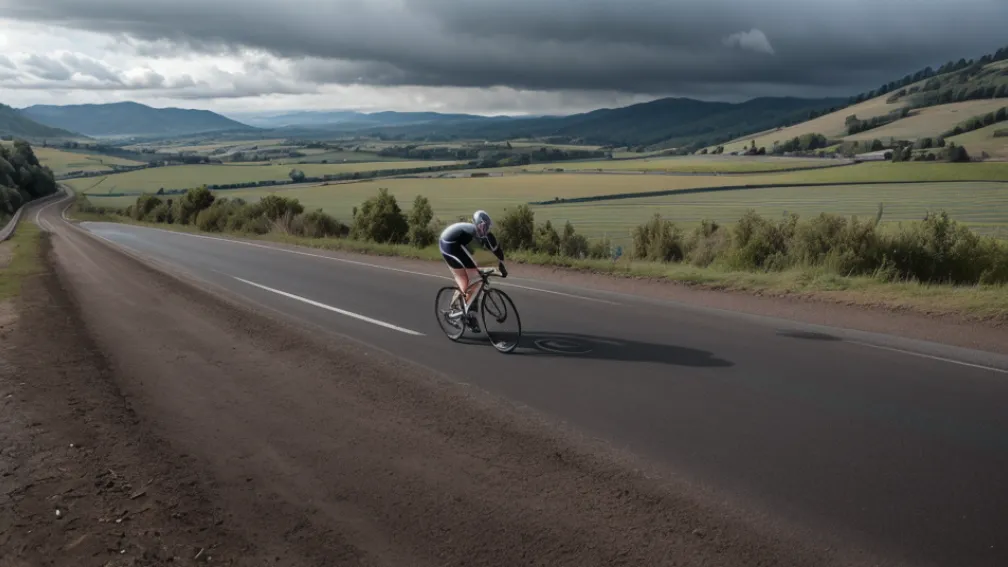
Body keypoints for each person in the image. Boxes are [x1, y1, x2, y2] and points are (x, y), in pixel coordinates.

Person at [438, 210, 507, 332]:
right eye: (482, 226)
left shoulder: (481, 234)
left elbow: (492, 252)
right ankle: (454, 310)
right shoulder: (470, 232)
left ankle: (469, 312)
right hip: (448, 246)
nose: (484, 229)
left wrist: (500, 265)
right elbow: (479, 255)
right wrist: (494, 266)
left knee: (476, 278)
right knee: (464, 279)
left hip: (459, 245)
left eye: (486, 227)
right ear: (477, 224)